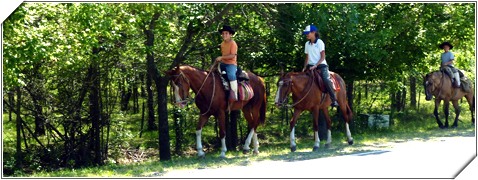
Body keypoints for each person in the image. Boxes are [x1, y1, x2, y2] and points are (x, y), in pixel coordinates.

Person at [302, 24, 338, 107]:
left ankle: (334, 99)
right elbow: (307, 58)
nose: (306, 35)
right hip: (310, 66)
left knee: (326, 80)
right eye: (306, 33)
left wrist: (316, 65)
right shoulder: (307, 44)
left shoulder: (320, 42)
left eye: (308, 33)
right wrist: (304, 67)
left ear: (314, 32)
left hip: (321, 65)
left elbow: (323, 57)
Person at [216, 25, 239, 101]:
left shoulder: (233, 43)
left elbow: (232, 55)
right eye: (223, 33)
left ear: (230, 34)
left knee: (231, 75)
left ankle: (234, 94)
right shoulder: (222, 44)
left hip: (231, 64)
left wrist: (221, 57)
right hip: (223, 63)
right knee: (213, 72)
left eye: (226, 33)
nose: (224, 35)